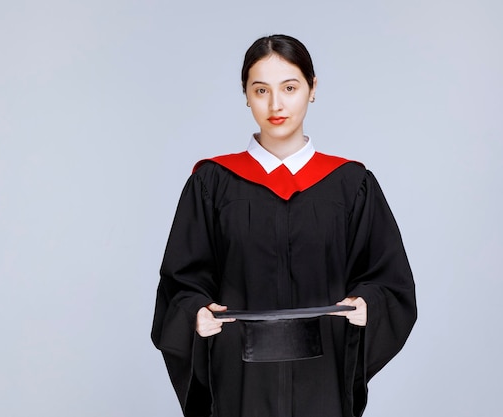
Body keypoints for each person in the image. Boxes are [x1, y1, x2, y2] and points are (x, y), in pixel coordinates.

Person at [151, 34, 417, 417]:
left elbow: (388, 281)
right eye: (261, 90)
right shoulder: (212, 182)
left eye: (289, 87)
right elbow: (181, 282)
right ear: (245, 94)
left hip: (322, 376)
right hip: (239, 379)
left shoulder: (350, 183)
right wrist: (196, 311)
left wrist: (369, 305)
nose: (275, 104)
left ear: (312, 89)